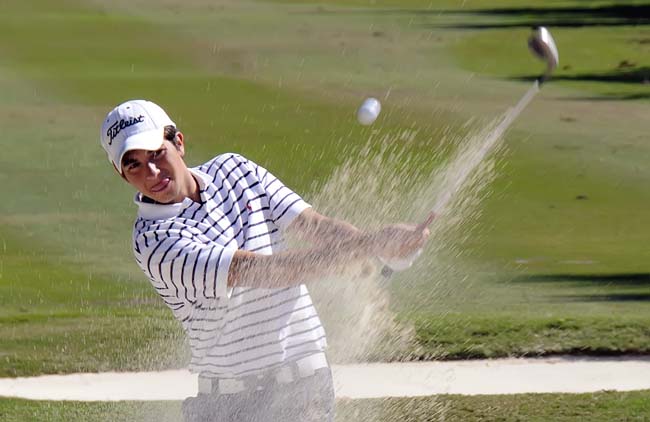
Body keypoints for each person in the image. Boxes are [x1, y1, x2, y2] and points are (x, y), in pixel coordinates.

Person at [100, 99, 430, 421]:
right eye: (134, 164)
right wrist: (371, 244)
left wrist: (380, 249)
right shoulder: (155, 241)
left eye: (157, 153)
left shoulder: (235, 170)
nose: (153, 171)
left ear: (179, 143)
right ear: (121, 174)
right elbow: (266, 271)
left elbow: (314, 225)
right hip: (230, 406)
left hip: (306, 391)